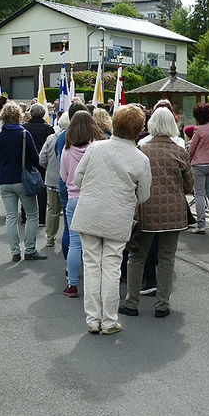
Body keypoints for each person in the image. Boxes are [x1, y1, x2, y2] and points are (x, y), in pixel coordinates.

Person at [72, 105, 152, 335]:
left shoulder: (95, 148)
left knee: (91, 266)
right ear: (138, 130)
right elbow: (144, 195)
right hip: (117, 217)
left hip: (89, 213)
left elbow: (78, 178)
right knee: (111, 268)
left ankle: (92, 319)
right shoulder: (140, 158)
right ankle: (108, 321)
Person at [120, 107, 192, 318]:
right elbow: (189, 186)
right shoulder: (180, 151)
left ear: (151, 124)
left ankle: (132, 303)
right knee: (167, 258)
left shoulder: (141, 148)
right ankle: (162, 304)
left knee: (137, 257)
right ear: (172, 125)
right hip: (173, 213)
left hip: (146, 211)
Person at [0, 102, 45, 261]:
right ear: (18, 116)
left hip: (5, 180)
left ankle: (15, 252)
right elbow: (36, 158)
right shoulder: (24, 134)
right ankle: (29, 250)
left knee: (11, 217)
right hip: (22, 179)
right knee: (32, 215)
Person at [59, 110, 102, 295]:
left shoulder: (67, 150)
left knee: (75, 244)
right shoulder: (99, 147)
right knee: (97, 244)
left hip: (74, 199)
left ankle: (72, 284)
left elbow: (63, 176)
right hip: (95, 198)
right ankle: (99, 284)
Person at [56, 101, 88, 263]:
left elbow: (61, 167)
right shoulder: (95, 141)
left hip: (68, 187)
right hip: (88, 191)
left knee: (69, 229)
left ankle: (70, 266)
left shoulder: (63, 138)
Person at [187, 102, 209, 234]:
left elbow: (191, 149)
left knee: (199, 194)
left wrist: (188, 161)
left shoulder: (198, 130)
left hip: (199, 165)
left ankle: (201, 225)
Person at [23, 104, 55, 226]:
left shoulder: (24, 127)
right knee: (42, 192)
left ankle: (25, 216)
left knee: (26, 189)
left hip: (27, 162)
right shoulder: (48, 128)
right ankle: (42, 219)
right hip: (43, 163)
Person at [39, 112, 67, 248]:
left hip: (52, 178)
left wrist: (49, 168)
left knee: (52, 210)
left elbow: (42, 158)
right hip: (69, 180)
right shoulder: (76, 138)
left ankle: (50, 237)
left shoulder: (51, 138)